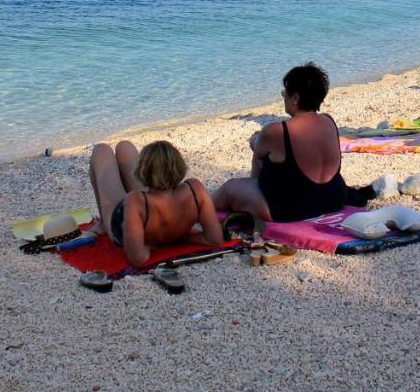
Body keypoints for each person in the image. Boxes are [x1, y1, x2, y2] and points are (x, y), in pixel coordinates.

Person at [213, 63, 347, 222]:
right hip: (333, 198)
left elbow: (259, 153)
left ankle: (205, 204)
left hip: (291, 209)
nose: (284, 97)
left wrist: (255, 140)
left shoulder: (278, 131)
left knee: (230, 188)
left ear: (295, 98)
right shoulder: (328, 121)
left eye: (285, 93)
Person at [88, 140, 223, 267]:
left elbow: (137, 258)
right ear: (180, 165)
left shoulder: (135, 200)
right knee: (125, 146)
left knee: (101, 150)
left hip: (136, 213)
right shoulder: (195, 189)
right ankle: (103, 223)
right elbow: (214, 239)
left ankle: (103, 224)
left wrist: (149, 246)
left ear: (142, 171)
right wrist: (181, 238)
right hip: (148, 209)